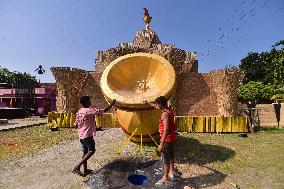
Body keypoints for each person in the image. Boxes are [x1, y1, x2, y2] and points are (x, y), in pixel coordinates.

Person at [72, 96, 116, 176]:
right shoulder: (89, 110)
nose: (90, 102)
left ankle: (85, 170)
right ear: (86, 102)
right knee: (92, 151)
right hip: (88, 135)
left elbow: (75, 125)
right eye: (89, 101)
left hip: (81, 136)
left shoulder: (79, 112)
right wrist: (112, 104)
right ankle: (77, 167)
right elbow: (103, 111)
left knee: (85, 153)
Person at [144, 96, 176, 185]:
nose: (157, 106)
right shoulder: (169, 109)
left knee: (165, 158)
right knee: (171, 156)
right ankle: (171, 172)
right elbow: (156, 106)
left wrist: (161, 143)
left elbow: (166, 129)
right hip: (172, 138)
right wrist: (147, 103)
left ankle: (165, 177)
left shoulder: (165, 114)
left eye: (158, 104)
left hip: (166, 139)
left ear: (161, 104)